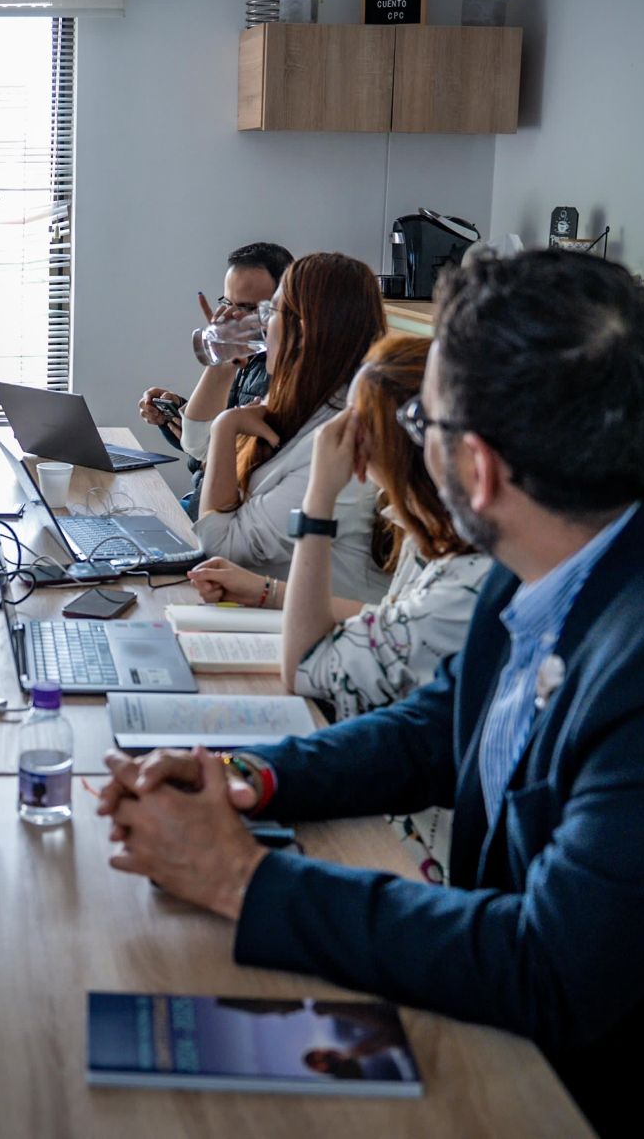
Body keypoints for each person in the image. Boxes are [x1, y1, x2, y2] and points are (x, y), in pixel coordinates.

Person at [96, 250, 644, 1134]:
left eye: (424, 417)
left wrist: (240, 876)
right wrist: (249, 776)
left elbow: (551, 967)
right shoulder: (556, 552)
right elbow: (434, 730)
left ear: (478, 470)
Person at [186, 334, 489, 880]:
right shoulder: (435, 545)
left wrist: (318, 503)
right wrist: (266, 592)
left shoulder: (462, 580)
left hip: (413, 846)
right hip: (400, 805)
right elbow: (387, 622)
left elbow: (304, 664)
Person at [193, 251, 387, 602]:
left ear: (303, 331)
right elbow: (203, 454)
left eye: (271, 311)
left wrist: (225, 427)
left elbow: (223, 547)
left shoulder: (341, 438)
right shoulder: (306, 404)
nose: (263, 324)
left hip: (324, 635)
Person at [137, 242, 293, 513]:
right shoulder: (246, 356)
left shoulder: (288, 372)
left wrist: (221, 362)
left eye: (247, 308)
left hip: (226, 513)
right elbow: (201, 443)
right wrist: (174, 413)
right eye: (227, 304)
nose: (232, 319)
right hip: (200, 497)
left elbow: (205, 447)